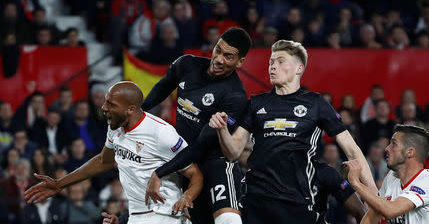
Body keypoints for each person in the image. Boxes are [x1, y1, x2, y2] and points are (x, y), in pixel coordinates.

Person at [209, 40, 377, 224]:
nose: (273, 66)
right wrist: (222, 129)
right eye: (271, 62)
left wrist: (375, 195)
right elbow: (233, 152)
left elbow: (352, 150)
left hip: (297, 202)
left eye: (280, 61)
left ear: (299, 68)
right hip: (256, 201)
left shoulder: (315, 103)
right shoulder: (256, 102)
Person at [24, 81, 203, 224]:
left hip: (165, 215)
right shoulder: (116, 127)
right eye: (105, 101)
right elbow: (104, 161)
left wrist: (186, 197)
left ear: (131, 109)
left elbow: (195, 175)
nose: (104, 107)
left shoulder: (161, 133)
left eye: (111, 104)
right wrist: (59, 183)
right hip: (136, 215)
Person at [142, 27, 252, 224]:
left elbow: (201, 146)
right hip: (186, 163)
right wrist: (137, 112)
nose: (218, 59)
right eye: (218, 50)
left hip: (214, 164)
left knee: (227, 220)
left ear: (240, 62)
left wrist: (160, 172)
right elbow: (161, 89)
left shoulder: (235, 97)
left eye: (228, 56)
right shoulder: (186, 64)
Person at [345, 124, 429, 223]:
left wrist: (356, 183)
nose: (387, 148)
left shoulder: (428, 181)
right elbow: (373, 216)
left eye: (394, 144)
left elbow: (391, 210)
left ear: (409, 152)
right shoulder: (391, 177)